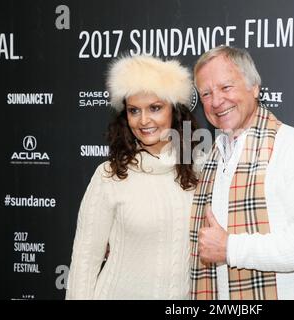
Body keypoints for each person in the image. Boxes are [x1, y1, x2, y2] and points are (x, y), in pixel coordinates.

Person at [189, 46, 294, 300]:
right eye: (206, 93)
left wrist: (230, 248)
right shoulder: (214, 153)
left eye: (226, 88)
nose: (216, 101)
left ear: (254, 87)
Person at [66, 55, 200, 299]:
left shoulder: (199, 171)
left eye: (155, 108)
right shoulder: (110, 176)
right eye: (134, 110)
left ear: (175, 111)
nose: (144, 120)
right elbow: (85, 259)